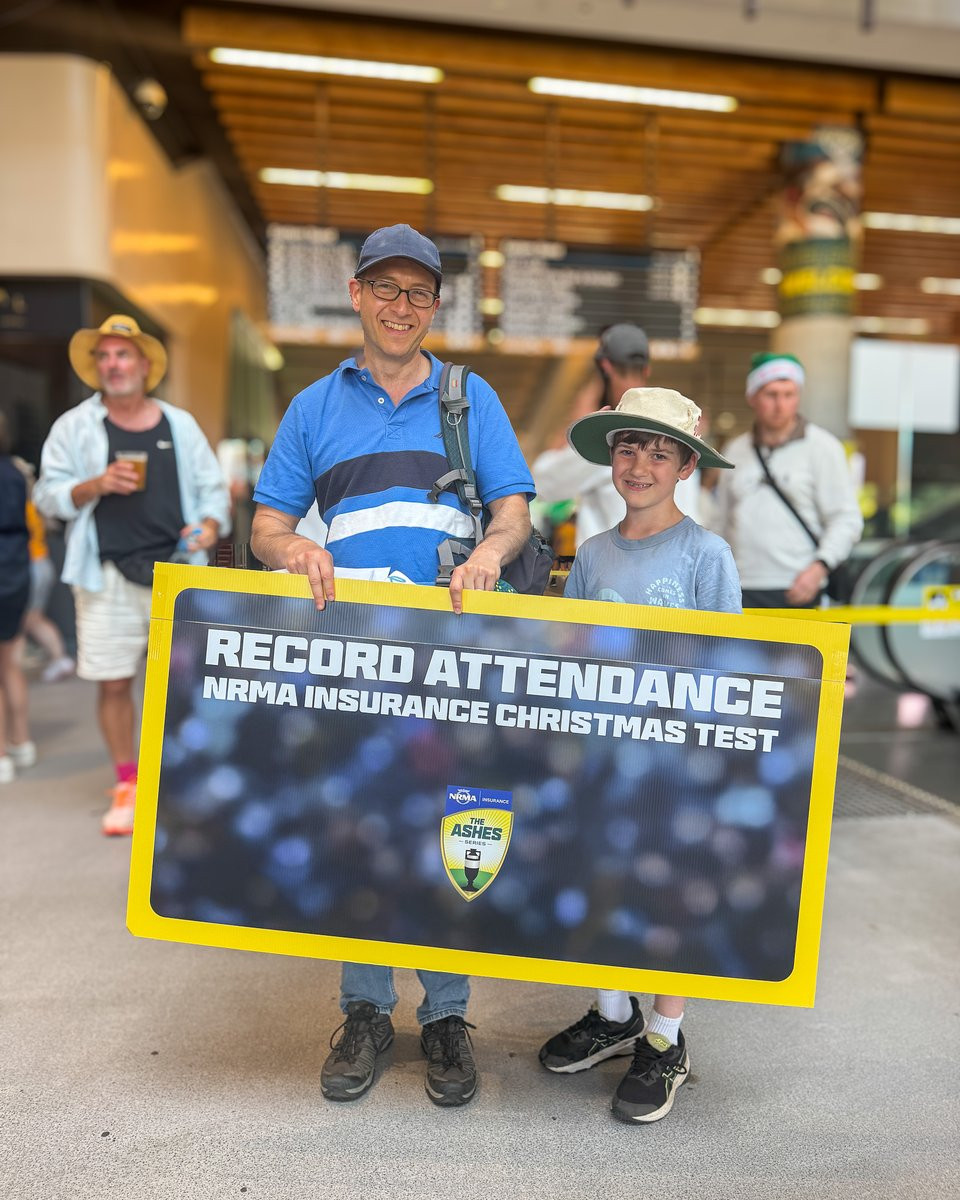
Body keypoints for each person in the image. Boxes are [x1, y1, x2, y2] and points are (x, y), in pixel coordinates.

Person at [249, 223, 535, 1108]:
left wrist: (489, 552)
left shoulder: (469, 399)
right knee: (363, 825)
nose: (400, 307)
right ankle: (367, 1011)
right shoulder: (313, 408)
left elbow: (514, 512)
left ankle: (446, 1015)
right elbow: (265, 527)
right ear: (358, 294)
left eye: (418, 293)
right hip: (355, 658)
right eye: (386, 288)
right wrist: (295, 548)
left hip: (453, 655)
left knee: (453, 825)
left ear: (435, 305)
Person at [538, 386, 740, 1125]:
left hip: (674, 766)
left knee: (668, 896)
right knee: (602, 879)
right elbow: (573, 657)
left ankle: (664, 1037)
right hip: (604, 756)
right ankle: (613, 1012)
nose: (640, 465)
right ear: (610, 457)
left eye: (660, 453)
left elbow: (730, 671)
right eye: (629, 448)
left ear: (686, 467)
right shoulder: (592, 555)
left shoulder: (706, 555)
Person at [34, 315, 230, 835]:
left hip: (178, 574)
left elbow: (212, 493)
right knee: (115, 681)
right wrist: (94, 484)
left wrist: (210, 526)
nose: (113, 364)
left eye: (122, 355)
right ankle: (128, 783)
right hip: (106, 576)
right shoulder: (75, 426)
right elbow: (47, 496)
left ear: (145, 365)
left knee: (184, 684)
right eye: (104, 356)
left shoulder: (179, 424)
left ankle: (182, 779)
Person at [709, 353, 863, 608]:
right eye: (771, 394)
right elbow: (720, 521)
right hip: (739, 585)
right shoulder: (734, 450)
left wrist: (819, 567)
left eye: (789, 394)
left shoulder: (823, 447)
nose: (780, 405)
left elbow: (846, 519)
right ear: (752, 397)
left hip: (800, 587)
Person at [532, 324, 700, 547]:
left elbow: (542, 483)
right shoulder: (674, 433)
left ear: (605, 367)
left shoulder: (608, 438)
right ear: (647, 370)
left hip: (611, 563)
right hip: (670, 559)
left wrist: (582, 426)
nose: (638, 469)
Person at [0, 413, 33, 784]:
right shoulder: (16, 471)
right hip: (17, 569)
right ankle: (21, 742)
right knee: (10, 660)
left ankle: (1, 757)